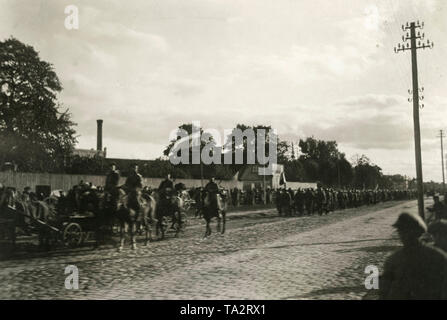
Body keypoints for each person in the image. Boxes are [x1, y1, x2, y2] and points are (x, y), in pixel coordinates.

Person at [379, 212, 447, 299]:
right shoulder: (393, 260)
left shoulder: (438, 257)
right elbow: (384, 292)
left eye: (408, 231)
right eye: (401, 231)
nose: (404, 235)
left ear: (418, 232)